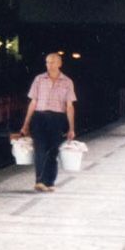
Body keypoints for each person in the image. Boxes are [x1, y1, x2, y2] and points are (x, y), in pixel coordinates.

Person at [19, 53, 77, 192]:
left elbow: (69, 106)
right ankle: (39, 181)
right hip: (40, 117)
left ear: (59, 64)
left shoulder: (67, 82)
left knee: (53, 151)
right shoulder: (39, 79)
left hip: (58, 119)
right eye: (47, 62)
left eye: (52, 62)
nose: (49, 65)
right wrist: (25, 124)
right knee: (40, 149)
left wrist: (71, 128)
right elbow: (33, 102)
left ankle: (49, 182)